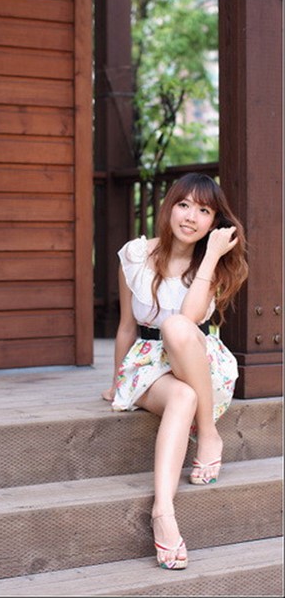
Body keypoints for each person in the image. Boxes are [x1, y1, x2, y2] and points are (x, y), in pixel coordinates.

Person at [102, 172, 248, 570]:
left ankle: (209, 434)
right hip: (149, 363)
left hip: (198, 359)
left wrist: (212, 256)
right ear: (169, 207)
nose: (190, 217)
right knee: (181, 395)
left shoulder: (213, 263)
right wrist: (116, 381)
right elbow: (127, 326)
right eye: (183, 205)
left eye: (204, 211)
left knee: (176, 326)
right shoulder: (135, 255)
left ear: (214, 221)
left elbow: (188, 318)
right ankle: (162, 512)